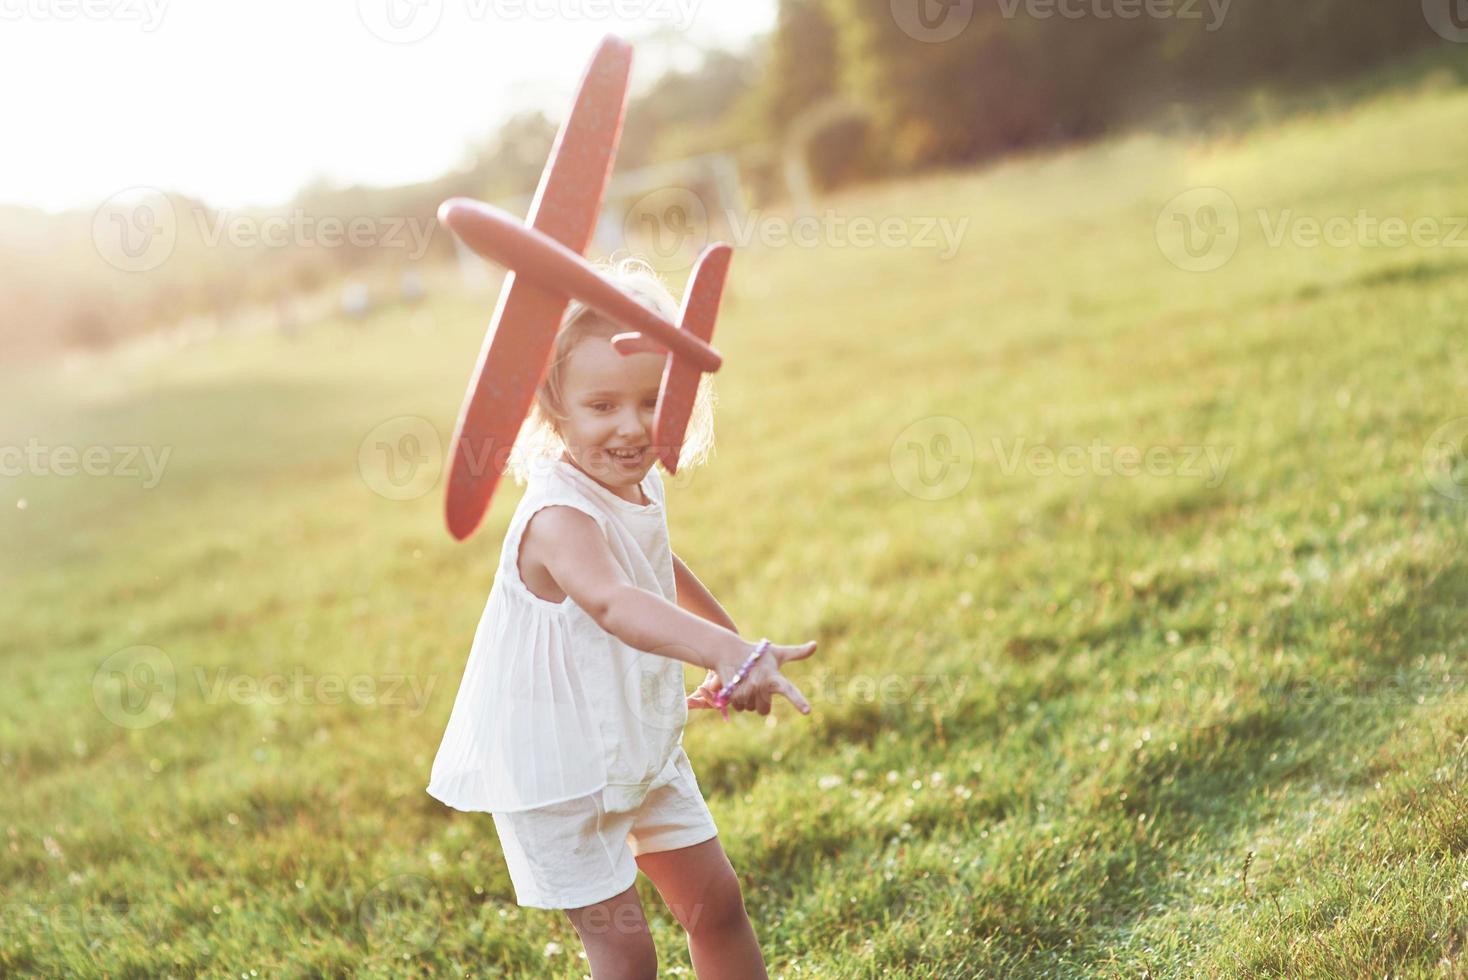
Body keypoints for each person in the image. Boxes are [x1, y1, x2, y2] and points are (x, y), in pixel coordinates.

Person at [426, 257, 819, 979]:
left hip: (637, 743)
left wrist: (726, 646)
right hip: (559, 769)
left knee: (715, 904)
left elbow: (656, 563)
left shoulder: (635, 483)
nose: (631, 427)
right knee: (626, 948)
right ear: (553, 405)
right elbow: (616, 601)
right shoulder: (557, 517)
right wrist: (728, 650)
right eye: (603, 406)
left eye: (652, 400)